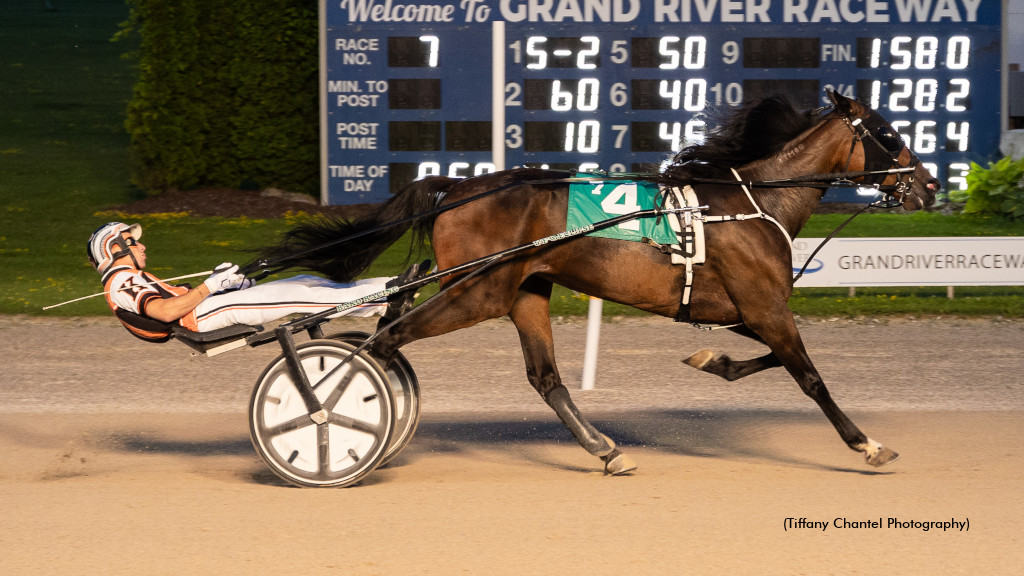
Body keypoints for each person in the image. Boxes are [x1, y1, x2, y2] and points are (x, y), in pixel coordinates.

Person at [86, 221, 427, 342]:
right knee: (295, 296)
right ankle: (384, 299)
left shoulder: (131, 276)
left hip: (207, 308)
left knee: (304, 281)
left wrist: (230, 285)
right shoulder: (121, 281)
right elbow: (162, 312)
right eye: (133, 243)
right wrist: (211, 286)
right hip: (202, 317)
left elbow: (174, 301)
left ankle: (389, 285)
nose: (142, 246)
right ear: (114, 250)